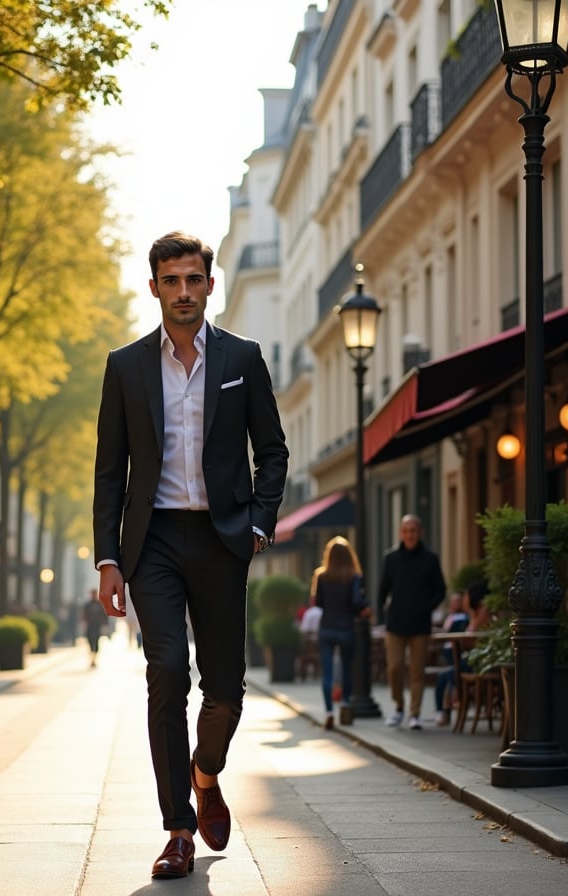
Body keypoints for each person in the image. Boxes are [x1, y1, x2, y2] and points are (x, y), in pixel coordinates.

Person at [92, 231, 288, 879]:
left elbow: (274, 450)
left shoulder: (244, 358)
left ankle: (206, 773)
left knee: (225, 687)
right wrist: (107, 559)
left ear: (210, 284)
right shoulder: (124, 367)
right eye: (170, 280)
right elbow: (109, 474)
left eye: (193, 279)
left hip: (222, 538)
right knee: (167, 672)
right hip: (151, 544)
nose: (183, 291)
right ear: (153, 288)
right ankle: (178, 828)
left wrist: (260, 522)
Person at [377, 514, 446, 730]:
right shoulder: (391, 559)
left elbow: (441, 589)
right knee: (395, 668)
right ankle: (398, 707)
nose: (409, 535)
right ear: (400, 533)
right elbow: (382, 590)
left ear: (420, 533)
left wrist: (428, 606)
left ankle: (414, 713)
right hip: (395, 623)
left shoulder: (430, 559)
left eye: (413, 530)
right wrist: (381, 616)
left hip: (420, 624)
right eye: (406, 531)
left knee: (417, 671)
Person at [311, 536, 370, 729]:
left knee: (327, 674)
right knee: (346, 669)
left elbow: (318, 603)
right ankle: (344, 704)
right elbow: (356, 602)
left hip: (327, 628)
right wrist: (361, 609)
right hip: (346, 628)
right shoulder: (354, 576)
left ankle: (328, 711)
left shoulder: (321, 576)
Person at [434, 580, 490, 726]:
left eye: (465, 596)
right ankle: (445, 709)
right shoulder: (473, 615)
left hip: (481, 661)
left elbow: (472, 638)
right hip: (472, 659)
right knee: (448, 674)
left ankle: (446, 709)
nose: (464, 600)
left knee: (447, 675)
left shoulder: (483, 613)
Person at [82, 588, 109, 667]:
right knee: (90, 642)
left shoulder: (100, 604)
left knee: (96, 642)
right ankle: (92, 658)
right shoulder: (87, 604)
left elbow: (104, 614)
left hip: (97, 626)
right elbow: (84, 615)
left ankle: (94, 659)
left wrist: (105, 624)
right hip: (90, 626)